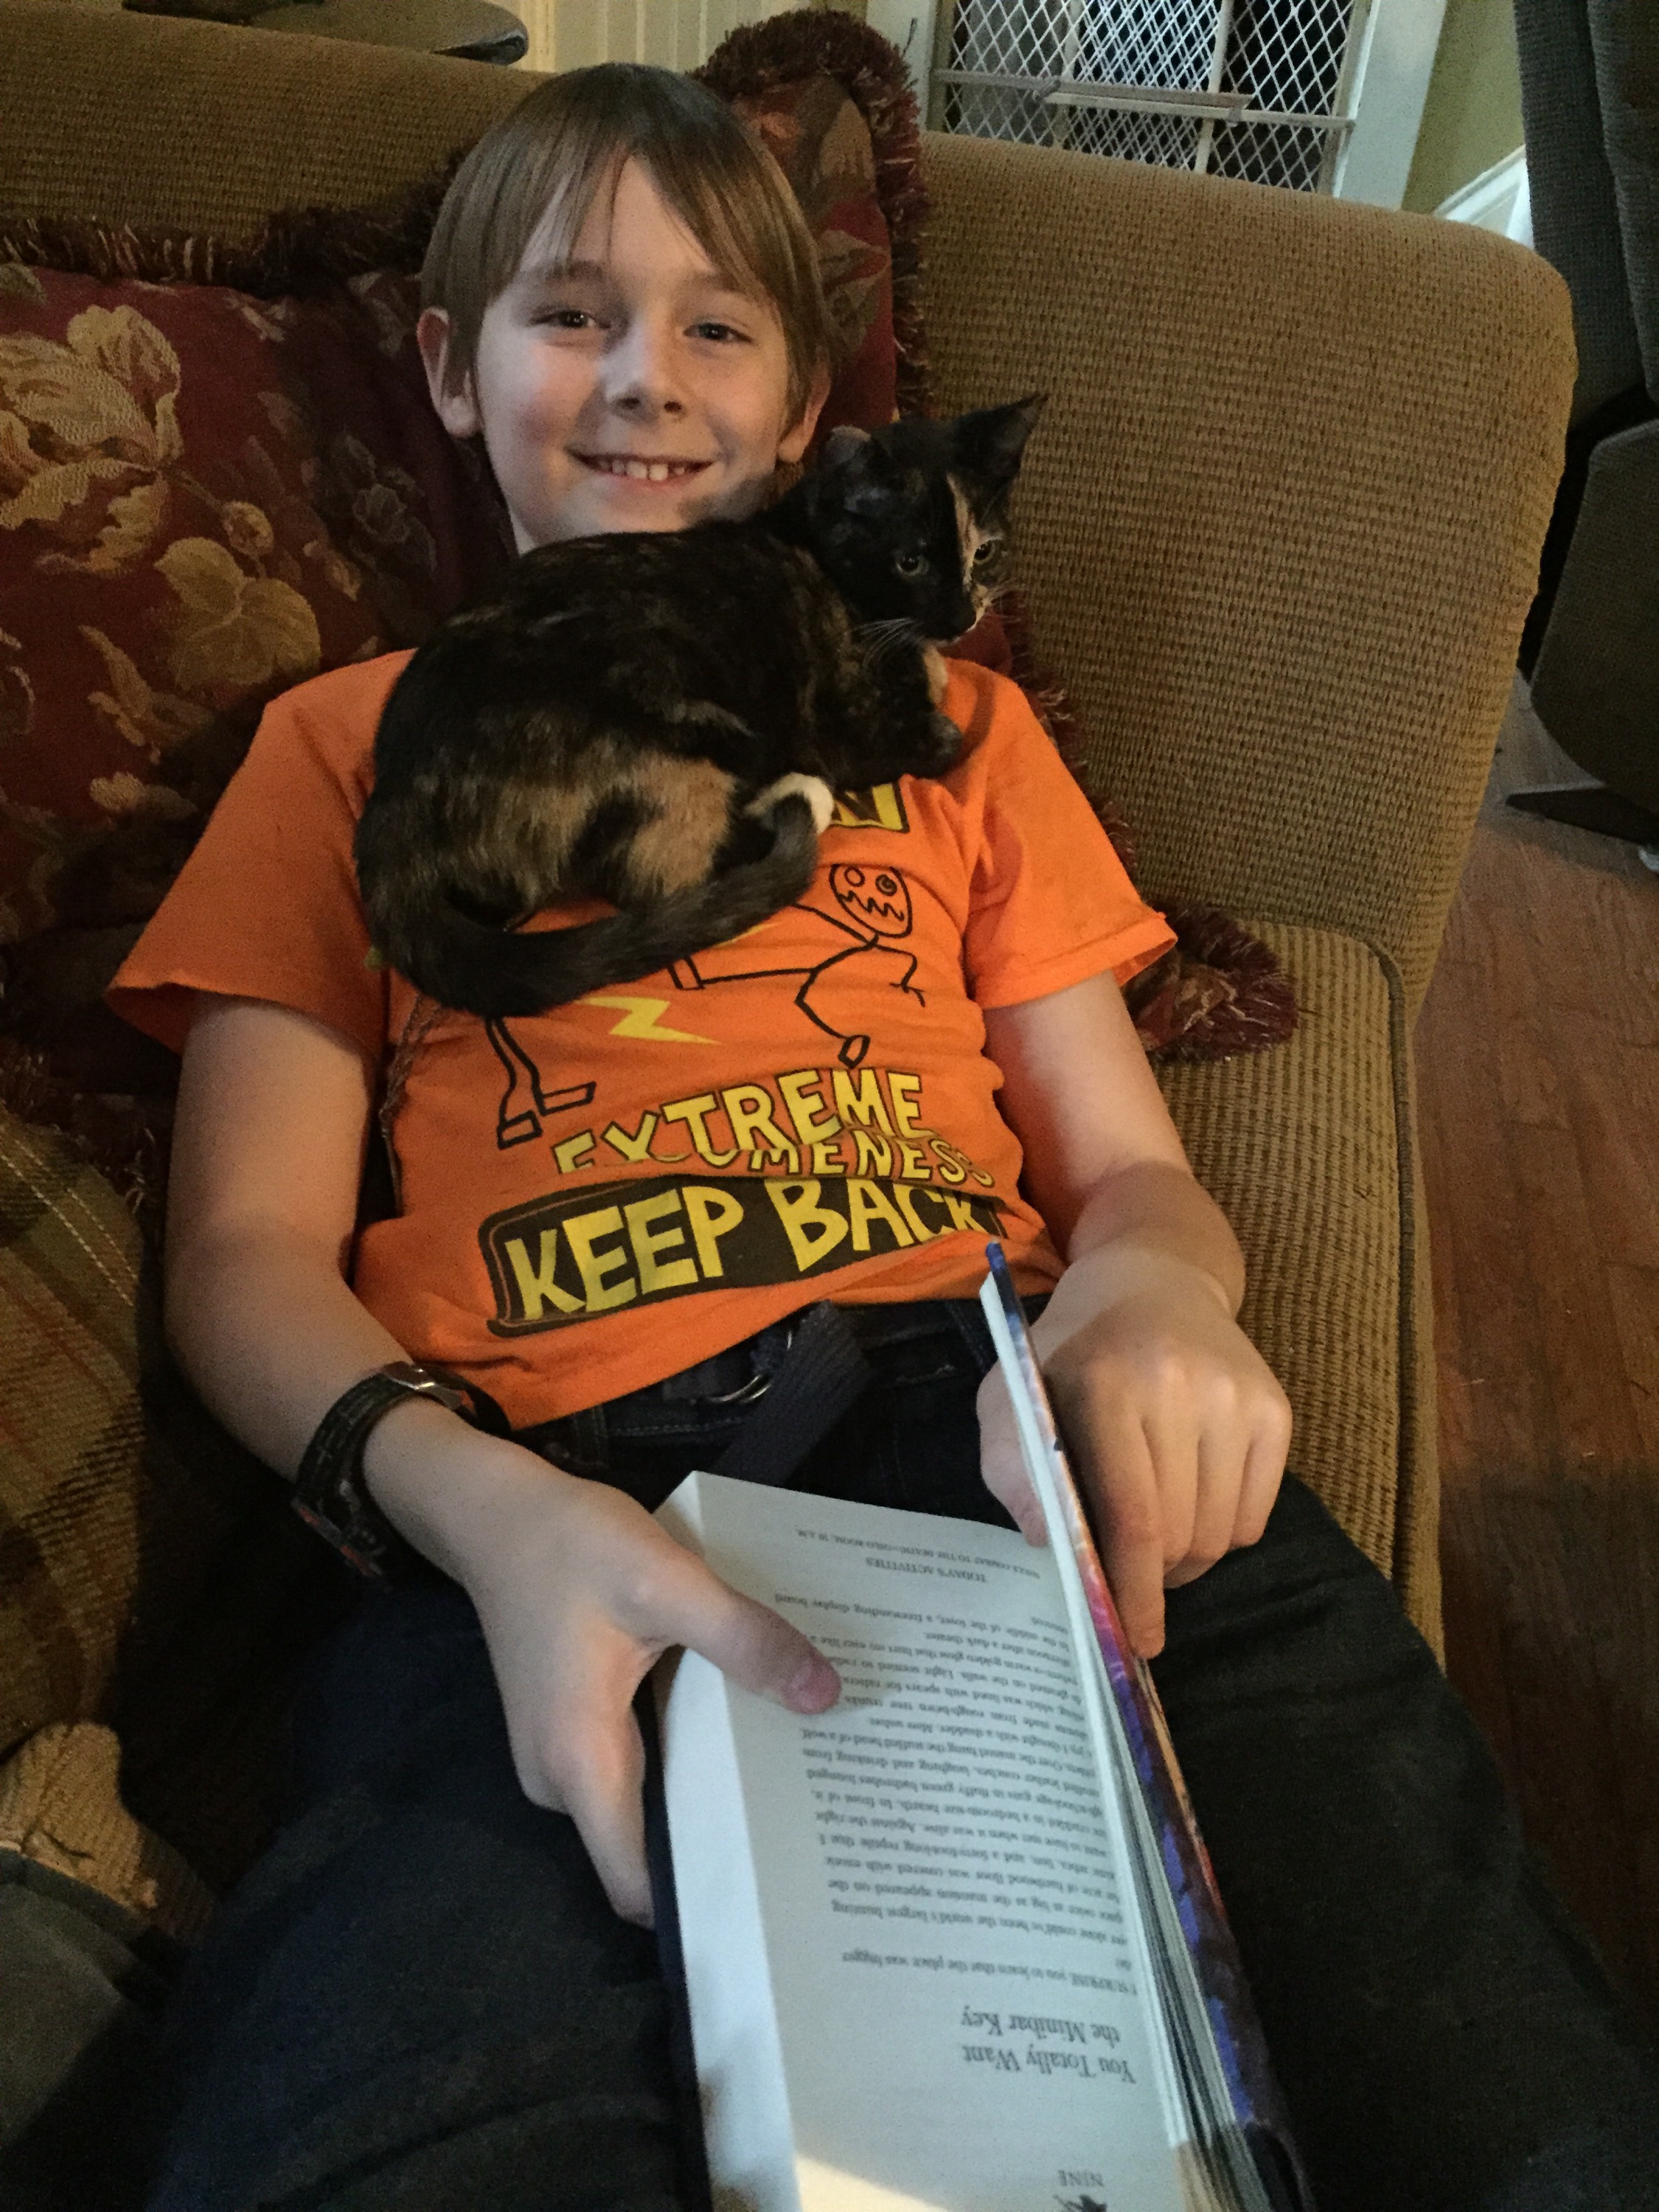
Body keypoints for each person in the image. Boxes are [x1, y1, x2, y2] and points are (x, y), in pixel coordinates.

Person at [112, 63, 1658, 2212]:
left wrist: (1154, 1297)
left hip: (1005, 1427)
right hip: (531, 1491)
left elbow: (1130, 1171)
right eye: (573, 315)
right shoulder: (347, 740)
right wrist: (475, 1510)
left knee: (1484, 2070)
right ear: (455, 373)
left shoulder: (955, 740)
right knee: (410, 2105)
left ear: (798, 418)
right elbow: (241, 1258)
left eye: (716, 327)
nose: (646, 377)